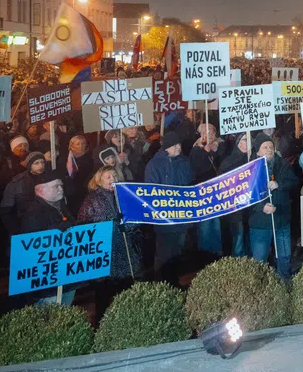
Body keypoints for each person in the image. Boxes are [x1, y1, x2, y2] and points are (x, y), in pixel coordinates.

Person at [78, 166, 142, 318]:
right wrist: (110, 223)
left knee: (127, 289)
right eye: (108, 177)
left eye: (114, 175)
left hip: (125, 250)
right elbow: (84, 225)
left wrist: (129, 224)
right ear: (99, 181)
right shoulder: (91, 199)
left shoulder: (124, 196)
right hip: (105, 252)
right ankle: (102, 320)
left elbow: (136, 220)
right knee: (103, 292)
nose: (113, 179)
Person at [248, 133, 298, 280]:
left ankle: (285, 282)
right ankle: (261, 287)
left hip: (281, 219)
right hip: (260, 223)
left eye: (271, 146)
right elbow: (246, 195)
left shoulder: (282, 164)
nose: (269, 149)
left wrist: (279, 185)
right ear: (258, 151)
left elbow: (293, 181)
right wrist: (261, 207)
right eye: (265, 147)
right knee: (260, 259)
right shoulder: (250, 169)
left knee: (284, 256)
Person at [21, 172, 76, 305]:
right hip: (48, 283)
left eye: (61, 186)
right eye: (55, 186)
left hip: (66, 275)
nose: (60, 189)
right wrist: (54, 232)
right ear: (40, 190)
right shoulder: (33, 213)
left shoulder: (62, 206)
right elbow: (31, 246)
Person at [145, 132, 193, 283]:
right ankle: (162, 285)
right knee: (164, 254)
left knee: (177, 252)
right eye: (174, 145)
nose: (178, 147)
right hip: (164, 218)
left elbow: (191, 183)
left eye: (179, 144)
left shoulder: (185, 162)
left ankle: (174, 281)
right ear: (166, 147)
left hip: (181, 217)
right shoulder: (154, 164)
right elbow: (150, 190)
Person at [189, 123, 224, 257]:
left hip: (217, 190)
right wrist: (205, 152)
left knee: (216, 223)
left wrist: (214, 151)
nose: (210, 135)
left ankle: (217, 252)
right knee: (205, 224)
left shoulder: (221, 146)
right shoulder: (196, 150)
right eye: (206, 132)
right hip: (203, 192)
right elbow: (197, 170)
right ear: (201, 135)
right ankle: (204, 254)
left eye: (212, 132)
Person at [0, 152, 46, 236]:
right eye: (36, 163)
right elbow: (6, 210)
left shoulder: (49, 180)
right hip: (24, 229)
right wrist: (15, 230)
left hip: (45, 228)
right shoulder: (17, 182)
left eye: (42, 162)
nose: (41, 166)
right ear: (29, 165)